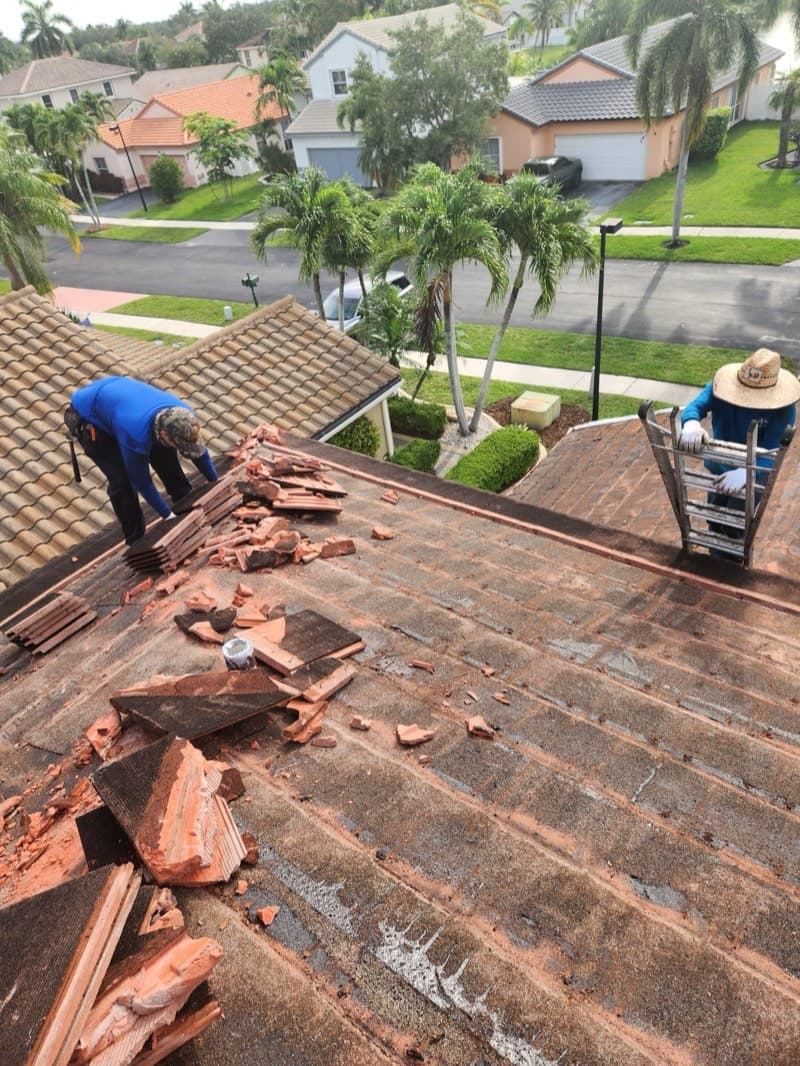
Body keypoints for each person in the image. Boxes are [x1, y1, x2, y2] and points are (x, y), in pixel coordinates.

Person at [68, 376, 218, 545]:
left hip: (118, 397)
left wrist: (215, 483)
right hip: (90, 418)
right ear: (164, 433)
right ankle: (136, 539)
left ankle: (184, 500)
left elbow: (199, 452)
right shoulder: (135, 433)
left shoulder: (184, 414)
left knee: (164, 451)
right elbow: (142, 482)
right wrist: (168, 518)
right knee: (122, 480)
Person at [678, 348, 798, 552]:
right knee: (714, 516)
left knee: (736, 525)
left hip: (753, 475)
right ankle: (714, 554)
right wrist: (690, 423)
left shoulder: (784, 409)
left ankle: (732, 563)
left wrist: (748, 472)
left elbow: (772, 450)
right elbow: (694, 407)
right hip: (719, 466)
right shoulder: (719, 388)